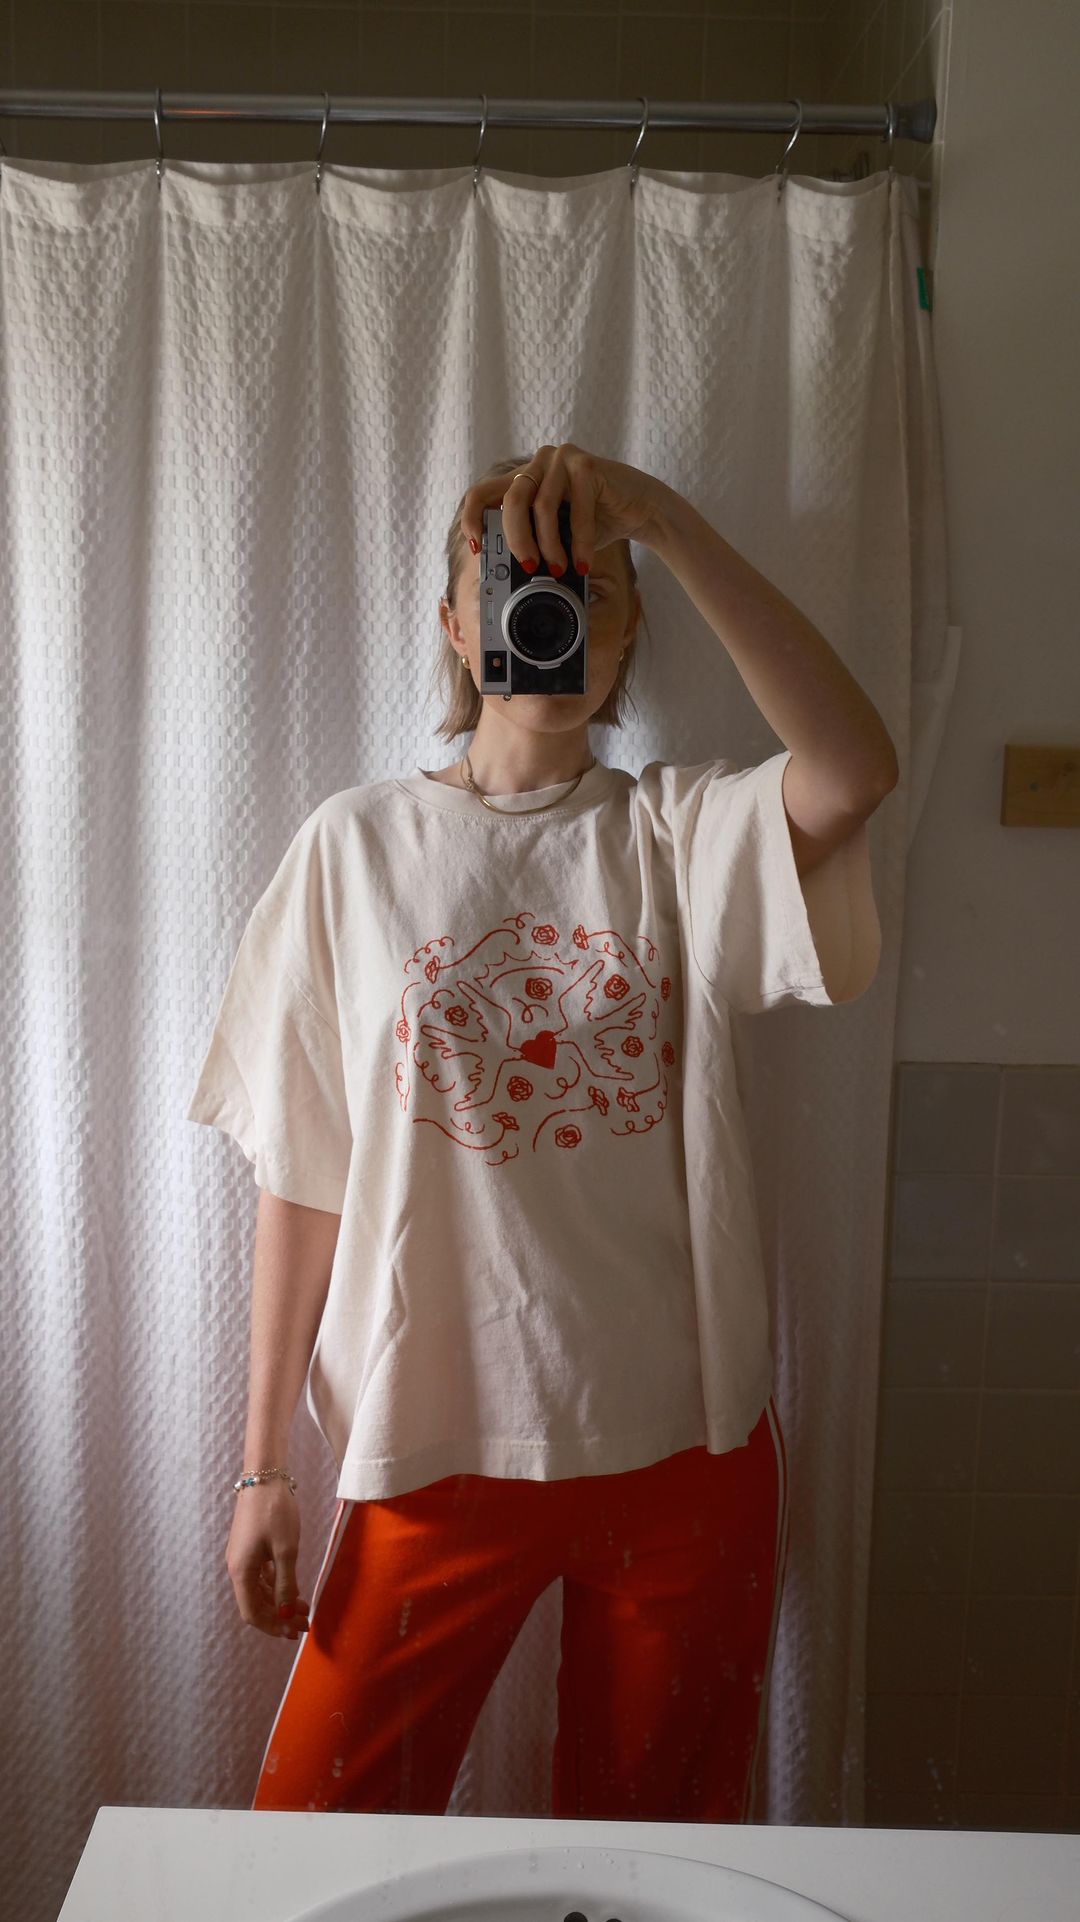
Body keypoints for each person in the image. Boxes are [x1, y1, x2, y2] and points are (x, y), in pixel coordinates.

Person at [186, 442, 896, 1823]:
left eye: (590, 586)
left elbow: (854, 768)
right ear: (457, 626)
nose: (551, 607)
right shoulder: (355, 848)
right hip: (433, 1436)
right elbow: (304, 1168)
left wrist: (666, 522)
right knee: (312, 1842)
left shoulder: (678, 834)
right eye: (513, 579)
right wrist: (263, 1461)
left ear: (626, 631)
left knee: (651, 1860)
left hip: (682, 1448)